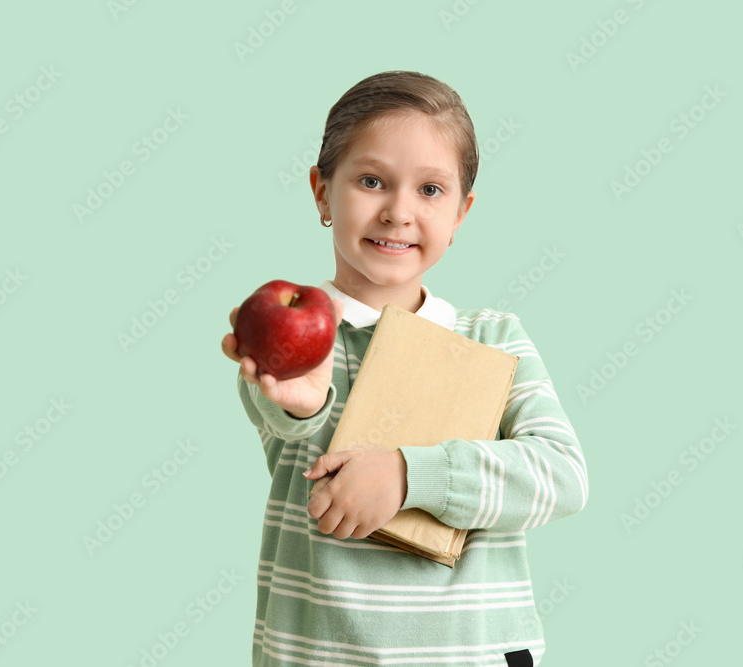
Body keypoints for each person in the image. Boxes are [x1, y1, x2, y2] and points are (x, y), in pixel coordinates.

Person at [222, 70, 588, 667]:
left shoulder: (494, 338)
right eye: (372, 181)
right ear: (321, 192)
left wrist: (410, 475)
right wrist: (305, 400)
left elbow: (562, 476)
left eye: (430, 190)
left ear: (462, 212)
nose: (399, 212)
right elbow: (292, 423)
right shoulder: (292, 340)